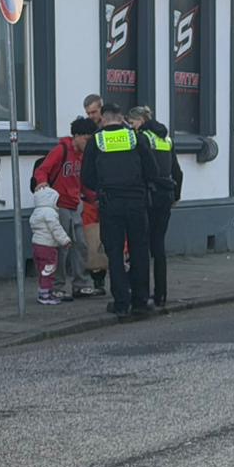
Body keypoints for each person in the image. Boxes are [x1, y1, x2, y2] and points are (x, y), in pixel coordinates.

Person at [81, 102, 157, 319]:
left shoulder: (97, 140)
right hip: (136, 202)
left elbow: (86, 176)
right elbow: (151, 169)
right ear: (121, 117)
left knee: (114, 253)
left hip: (110, 203)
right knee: (139, 251)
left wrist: (102, 189)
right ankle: (141, 301)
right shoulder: (136, 138)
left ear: (104, 119)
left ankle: (122, 303)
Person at [33, 117, 100, 299]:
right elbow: (42, 170)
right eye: (86, 139)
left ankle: (81, 284)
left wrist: (94, 198)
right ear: (76, 136)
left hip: (75, 203)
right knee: (61, 248)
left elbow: (83, 181)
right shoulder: (61, 150)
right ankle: (58, 286)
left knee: (81, 245)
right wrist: (42, 183)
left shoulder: (84, 156)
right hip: (59, 205)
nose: (89, 143)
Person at [128, 106, 183, 310]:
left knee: (141, 245)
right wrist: (176, 196)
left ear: (140, 120)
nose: (131, 127)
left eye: (132, 123)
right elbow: (177, 171)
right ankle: (161, 294)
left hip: (149, 196)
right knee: (158, 246)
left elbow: (141, 168)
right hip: (166, 195)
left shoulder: (142, 138)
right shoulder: (167, 139)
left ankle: (140, 293)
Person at [29, 185, 71, 306]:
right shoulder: (50, 213)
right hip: (48, 246)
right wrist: (65, 241)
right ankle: (45, 295)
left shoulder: (36, 212)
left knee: (42, 271)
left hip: (37, 245)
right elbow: (56, 229)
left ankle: (43, 290)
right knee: (49, 270)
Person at [80, 94, 106, 291]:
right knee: (93, 236)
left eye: (94, 112)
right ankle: (98, 278)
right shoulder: (87, 130)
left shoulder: (112, 128)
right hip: (91, 193)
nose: (91, 116)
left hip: (109, 191)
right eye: (88, 113)